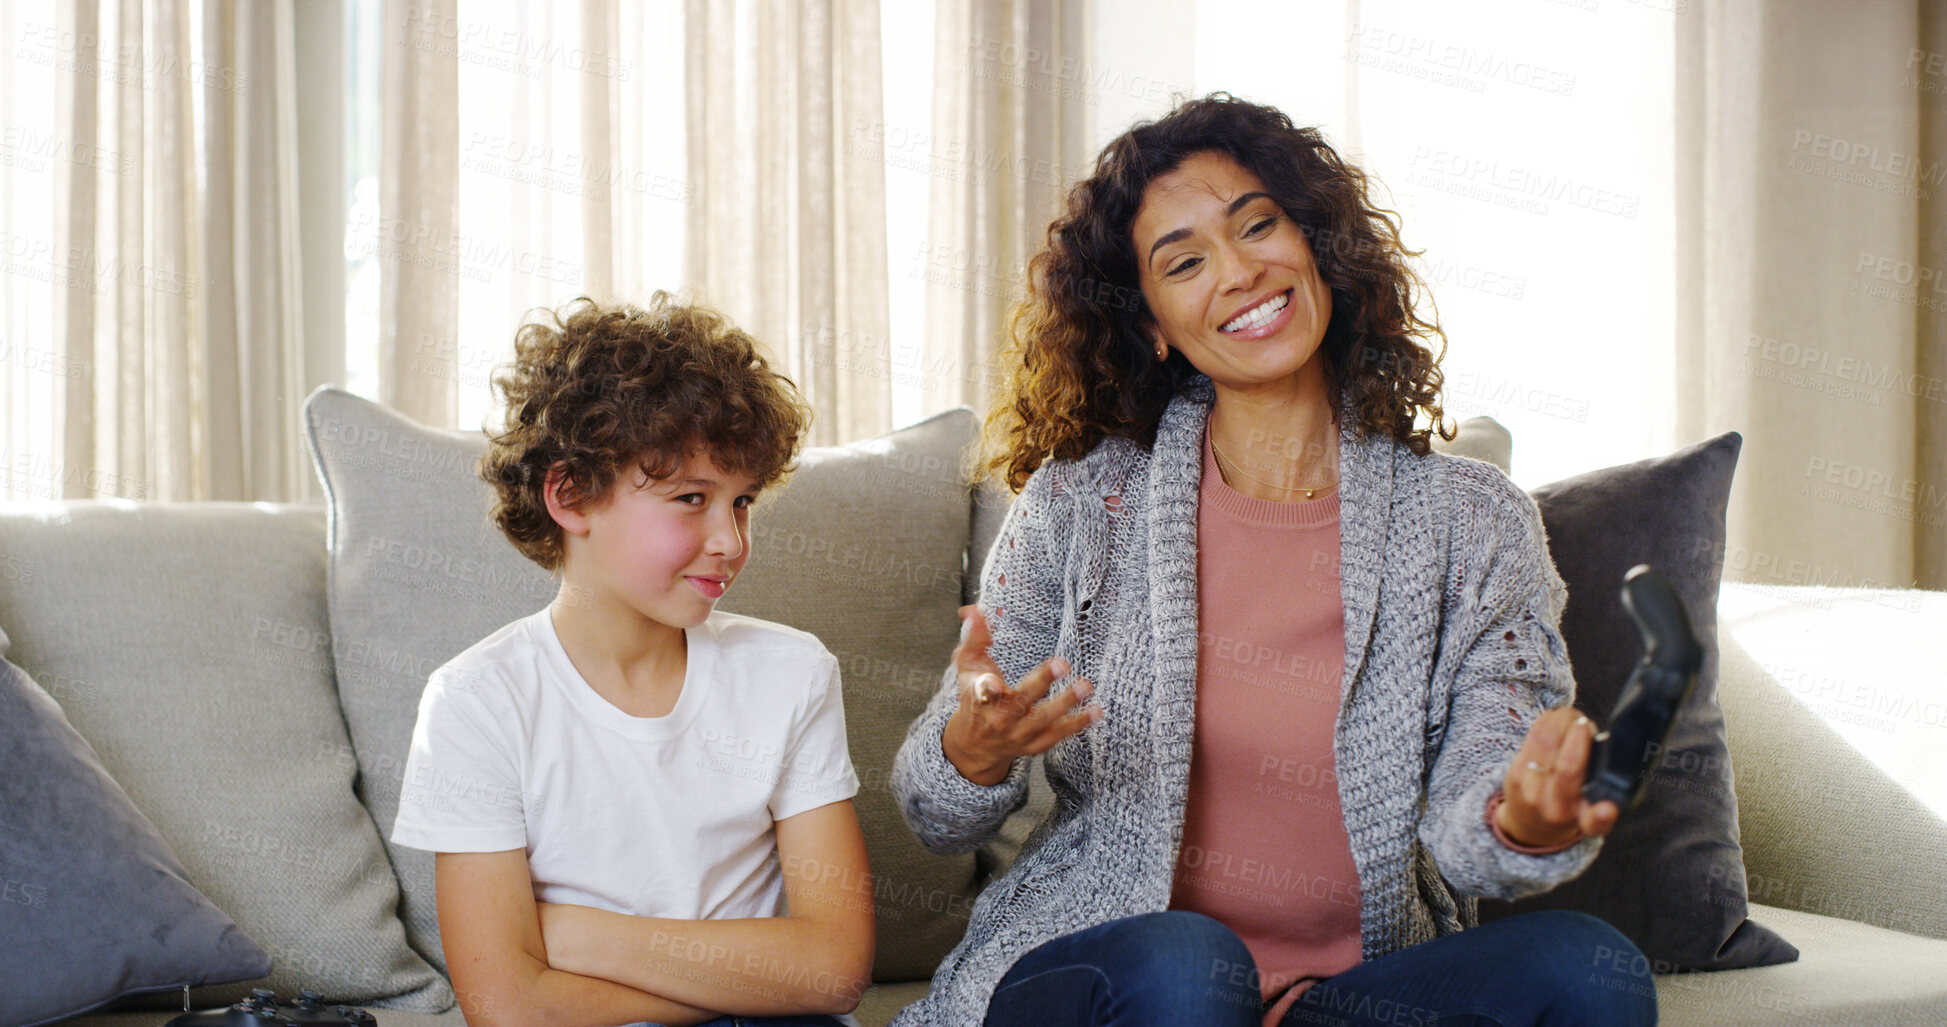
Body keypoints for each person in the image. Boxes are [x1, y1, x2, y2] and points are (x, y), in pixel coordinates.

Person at [890, 95, 1658, 1027]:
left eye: (1258, 225)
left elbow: (1477, 813)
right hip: (1112, 983)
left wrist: (1519, 821)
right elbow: (936, 812)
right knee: (1189, 968)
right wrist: (973, 749)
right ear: (1152, 325)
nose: (1240, 270)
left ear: (1316, 246)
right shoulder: (1084, 499)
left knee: (1593, 969)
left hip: (1335, 1001)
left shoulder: (1473, 520)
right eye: (1184, 262)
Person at [392, 295, 873, 1027]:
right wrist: (742, 978)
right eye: (690, 498)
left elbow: (832, 971)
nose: (730, 541)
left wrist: (567, 935)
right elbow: (510, 1007)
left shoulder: (791, 671)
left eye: (742, 502)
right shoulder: (476, 699)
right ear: (570, 494)